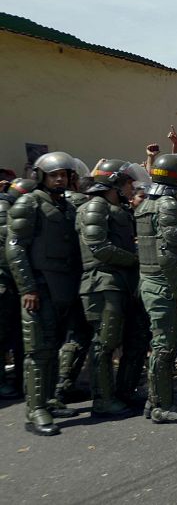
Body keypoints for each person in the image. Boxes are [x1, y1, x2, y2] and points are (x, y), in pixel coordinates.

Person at [6, 152, 82, 435]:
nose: (59, 179)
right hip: (39, 288)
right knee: (38, 351)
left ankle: (49, 400)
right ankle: (35, 409)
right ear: (41, 176)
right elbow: (15, 247)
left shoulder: (65, 205)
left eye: (63, 175)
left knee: (53, 347)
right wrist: (27, 287)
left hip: (62, 288)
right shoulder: (29, 203)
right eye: (54, 175)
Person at [76, 159, 149, 418]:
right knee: (105, 343)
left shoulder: (120, 209)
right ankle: (103, 399)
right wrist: (137, 259)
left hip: (123, 282)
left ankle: (124, 391)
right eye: (128, 183)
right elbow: (99, 247)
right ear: (114, 183)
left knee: (136, 338)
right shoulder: (95, 206)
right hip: (103, 282)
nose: (132, 188)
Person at [135, 154, 177, 424]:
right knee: (165, 346)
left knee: (161, 344)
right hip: (165, 285)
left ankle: (155, 399)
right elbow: (168, 254)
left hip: (151, 282)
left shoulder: (146, 204)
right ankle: (162, 405)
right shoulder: (168, 206)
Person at [0, 178, 37, 400]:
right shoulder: (5, 209)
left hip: (12, 280)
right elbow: (8, 250)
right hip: (5, 280)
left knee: (15, 333)